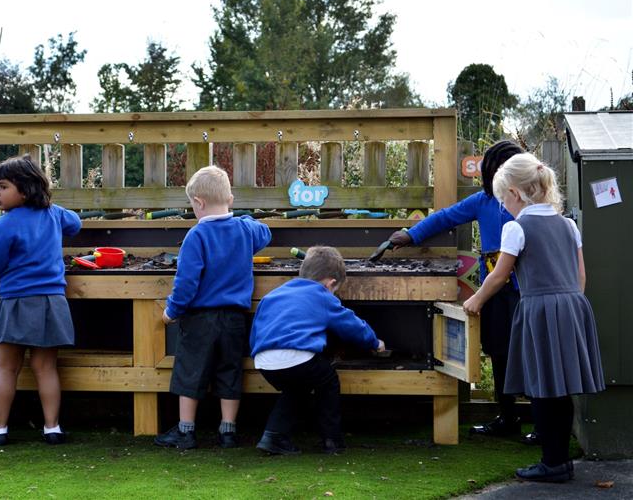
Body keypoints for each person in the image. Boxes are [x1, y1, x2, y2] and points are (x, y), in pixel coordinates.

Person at [464, 153, 604, 482]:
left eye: (502, 200)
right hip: (572, 307)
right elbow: (581, 275)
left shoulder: (517, 227)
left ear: (515, 193)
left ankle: (551, 464)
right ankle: (562, 461)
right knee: (563, 387)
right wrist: (568, 303)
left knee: (542, 387)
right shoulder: (568, 224)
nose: (503, 207)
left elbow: (499, 276)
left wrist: (476, 300)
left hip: (540, 310)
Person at [382, 141, 534, 441]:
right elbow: (446, 216)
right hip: (494, 289)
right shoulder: (482, 201)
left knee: (533, 352)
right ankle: (508, 417)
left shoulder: (531, 204)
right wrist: (412, 234)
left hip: (528, 289)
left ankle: (543, 423)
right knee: (498, 352)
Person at [155, 166, 272, 449]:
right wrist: (244, 218)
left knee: (190, 370)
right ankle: (228, 430)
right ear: (230, 200)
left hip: (199, 318)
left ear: (198, 202)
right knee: (230, 370)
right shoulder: (245, 229)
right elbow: (266, 232)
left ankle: (186, 431)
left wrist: (172, 311)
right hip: (234, 317)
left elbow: (186, 282)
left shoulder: (196, 236)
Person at [0, 155, 81, 446]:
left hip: (16, 303)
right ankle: (52, 428)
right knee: (46, 368)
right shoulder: (54, 214)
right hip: (51, 302)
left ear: (24, 189)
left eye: (2, 186)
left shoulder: (5, 225)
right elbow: (76, 223)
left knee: (6, 368)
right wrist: (53, 211)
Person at [249, 246, 385, 455]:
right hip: (297, 356)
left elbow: (257, 328)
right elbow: (351, 325)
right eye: (335, 290)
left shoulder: (274, 294)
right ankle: (331, 439)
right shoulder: (322, 294)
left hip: (264, 360)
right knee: (328, 382)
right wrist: (374, 343)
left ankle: (273, 437)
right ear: (330, 283)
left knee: (296, 389)